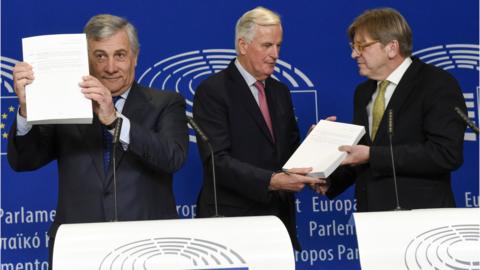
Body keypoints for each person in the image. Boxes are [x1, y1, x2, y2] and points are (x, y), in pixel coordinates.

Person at [8, 14, 188, 264]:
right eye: (100, 55)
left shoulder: (166, 103)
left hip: (149, 247)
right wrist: (28, 108)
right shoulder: (63, 103)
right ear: (86, 60)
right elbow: (23, 161)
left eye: (120, 55)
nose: (110, 67)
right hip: (78, 248)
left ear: (135, 58)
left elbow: (173, 157)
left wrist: (115, 120)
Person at [192, 6, 322, 250]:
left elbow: (286, 154)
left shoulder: (280, 91)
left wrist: (313, 147)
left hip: (277, 221)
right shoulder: (213, 91)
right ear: (243, 45)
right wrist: (273, 181)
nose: (275, 54)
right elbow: (216, 162)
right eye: (267, 45)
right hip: (232, 222)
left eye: (278, 45)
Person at [316, 8, 467, 211]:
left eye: (362, 46)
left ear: (392, 48)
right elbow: (363, 156)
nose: (354, 54)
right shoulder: (363, 92)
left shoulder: (436, 83)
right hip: (372, 219)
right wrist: (331, 181)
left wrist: (372, 155)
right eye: (353, 46)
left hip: (422, 217)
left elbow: (446, 154)